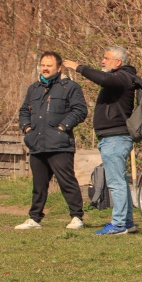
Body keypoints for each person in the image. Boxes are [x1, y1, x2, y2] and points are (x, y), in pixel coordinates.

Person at [63, 46, 142, 235]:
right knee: (119, 181)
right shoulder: (121, 77)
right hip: (112, 138)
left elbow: (104, 79)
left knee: (116, 182)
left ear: (118, 62)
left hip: (115, 138)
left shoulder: (122, 77)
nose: (102, 61)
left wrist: (79, 67)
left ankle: (118, 224)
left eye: (106, 58)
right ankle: (127, 222)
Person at [15, 51, 88, 231]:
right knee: (39, 185)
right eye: (43, 65)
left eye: (49, 65)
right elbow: (24, 111)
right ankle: (34, 218)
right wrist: (27, 129)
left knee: (67, 181)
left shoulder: (70, 87)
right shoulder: (34, 88)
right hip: (37, 143)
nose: (45, 68)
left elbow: (80, 110)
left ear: (59, 67)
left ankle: (77, 217)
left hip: (60, 144)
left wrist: (62, 128)